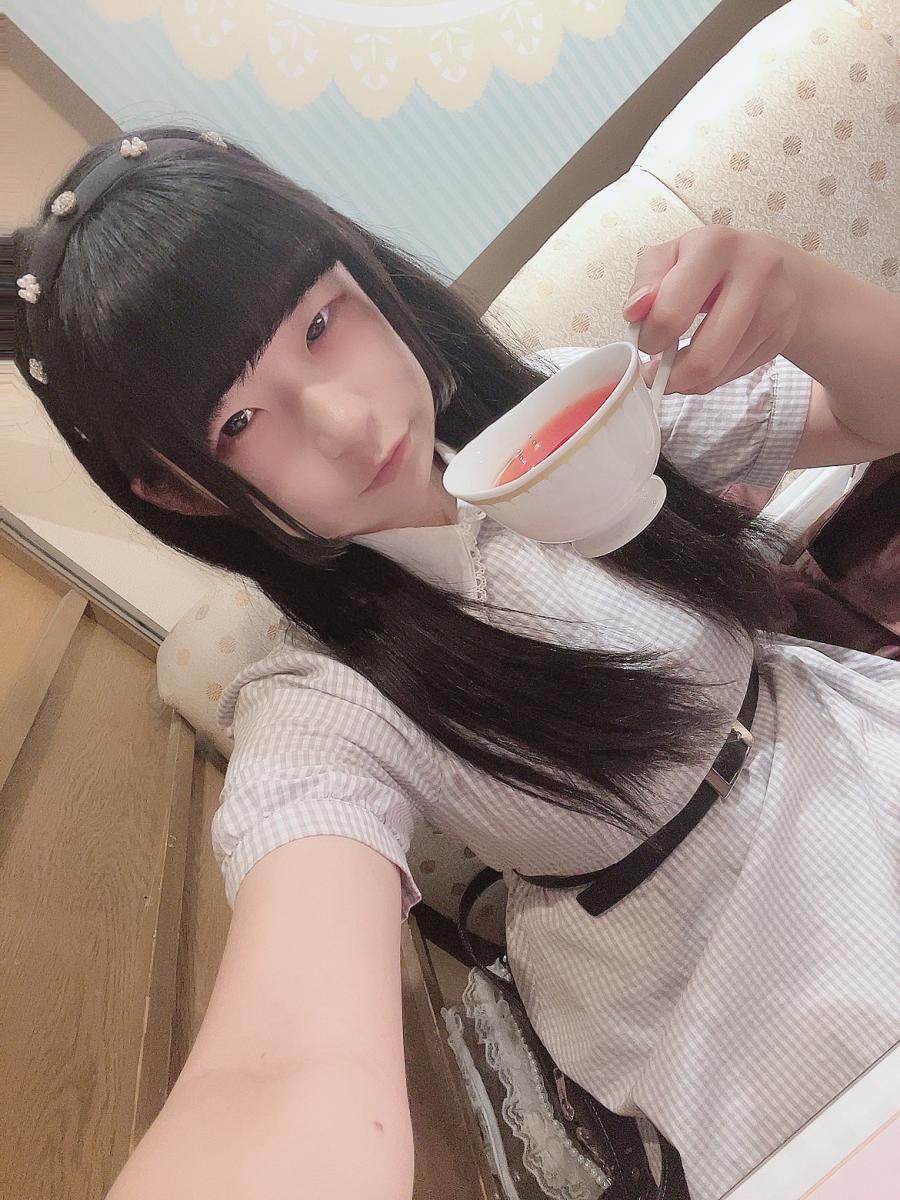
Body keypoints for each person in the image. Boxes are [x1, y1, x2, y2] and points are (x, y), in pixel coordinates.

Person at [12, 126, 900, 1200]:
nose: (344, 421)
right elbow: (278, 1070)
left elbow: (869, 416)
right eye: (239, 419)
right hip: (708, 971)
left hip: (851, 739)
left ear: (360, 269)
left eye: (321, 324)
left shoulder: (568, 405)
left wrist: (803, 299)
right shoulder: (321, 701)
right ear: (181, 489)